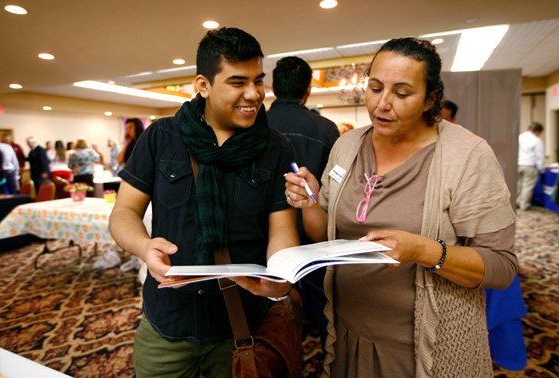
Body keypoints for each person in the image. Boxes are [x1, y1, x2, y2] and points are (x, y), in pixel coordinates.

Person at [285, 37, 518, 377]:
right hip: (346, 329)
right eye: (375, 88)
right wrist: (309, 203)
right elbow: (326, 235)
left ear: (431, 98)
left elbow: (501, 266)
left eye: (402, 94)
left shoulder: (466, 155)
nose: (382, 104)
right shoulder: (347, 145)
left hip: (426, 344)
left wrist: (424, 250)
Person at [109, 27, 299, 377]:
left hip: (239, 324)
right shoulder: (161, 138)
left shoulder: (275, 147)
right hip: (168, 318)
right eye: (238, 82)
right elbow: (123, 212)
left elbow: (282, 227)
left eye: (258, 81)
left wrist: (281, 274)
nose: (254, 94)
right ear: (203, 85)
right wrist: (143, 246)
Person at [267, 55, 339, 347]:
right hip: (313, 232)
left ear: (272, 87)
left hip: (265, 233)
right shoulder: (325, 128)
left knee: (271, 310)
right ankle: (330, 359)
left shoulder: (252, 125)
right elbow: (334, 186)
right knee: (322, 306)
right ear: (308, 89)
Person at [517, 122, 545, 210]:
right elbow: (539, 157)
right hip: (530, 165)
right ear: (537, 131)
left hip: (518, 164)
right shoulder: (536, 140)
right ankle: (524, 205)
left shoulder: (520, 137)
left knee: (518, 185)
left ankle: (516, 202)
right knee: (527, 186)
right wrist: (541, 169)